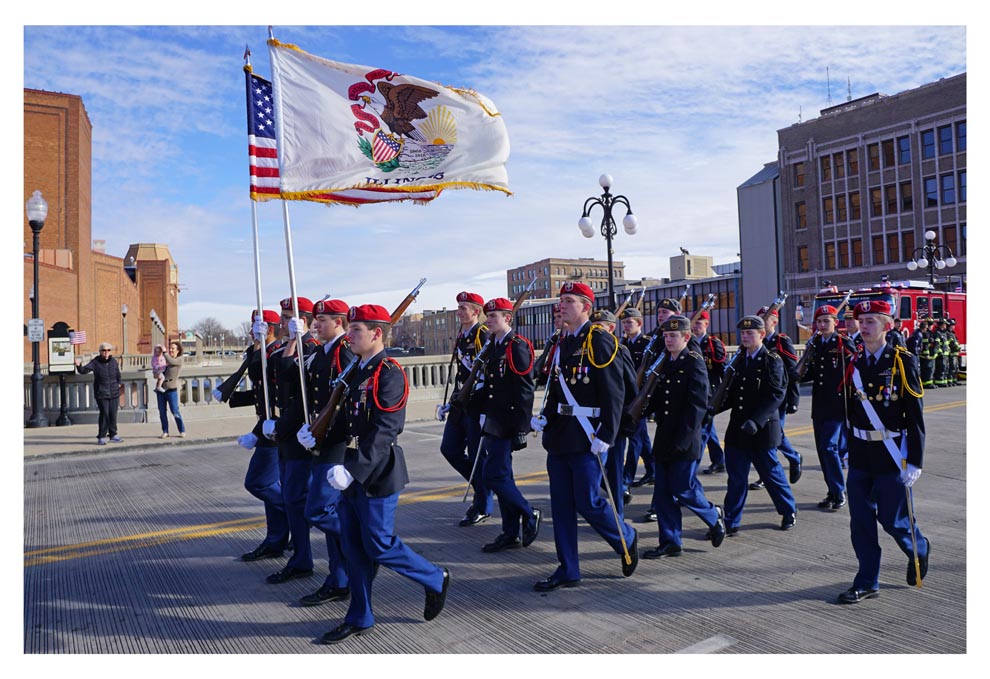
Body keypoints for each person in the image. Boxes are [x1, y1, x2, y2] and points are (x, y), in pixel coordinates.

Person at [320, 304, 449, 644]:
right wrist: (317, 437)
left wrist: (355, 470)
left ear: (377, 334)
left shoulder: (388, 372)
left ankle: (434, 577)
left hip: (377, 471)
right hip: (350, 466)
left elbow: (385, 429)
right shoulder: (355, 369)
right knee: (352, 546)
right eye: (349, 328)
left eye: (357, 329)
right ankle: (360, 615)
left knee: (378, 544)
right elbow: (346, 420)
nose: (349, 335)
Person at [530, 282, 639, 591]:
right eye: (561, 301)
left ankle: (626, 537)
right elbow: (556, 387)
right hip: (561, 435)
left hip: (588, 436)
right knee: (562, 505)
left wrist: (608, 431)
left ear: (586, 308)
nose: (560, 306)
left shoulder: (599, 340)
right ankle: (568, 568)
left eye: (568, 301)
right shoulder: (562, 341)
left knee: (589, 502)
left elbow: (614, 391)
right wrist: (545, 417)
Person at [837, 298, 930, 604]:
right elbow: (851, 412)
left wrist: (915, 460)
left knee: (893, 519)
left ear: (887, 326)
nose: (863, 327)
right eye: (861, 322)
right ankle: (867, 580)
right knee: (860, 521)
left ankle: (918, 548)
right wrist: (848, 449)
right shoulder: (855, 362)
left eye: (871, 322)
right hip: (862, 453)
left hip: (892, 454)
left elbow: (914, 415)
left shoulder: (902, 362)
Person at [641, 315, 725, 558]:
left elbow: (697, 407)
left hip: (685, 439)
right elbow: (657, 398)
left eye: (673, 336)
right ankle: (670, 541)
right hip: (665, 436)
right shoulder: (665, 362)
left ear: (686, 337)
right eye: (666, 336)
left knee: (683, 489)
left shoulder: (694, 363)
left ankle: (713, 515)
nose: (668, 340)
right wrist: (637, 413)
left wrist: (683, 440)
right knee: (663, 493)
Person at [287, 299, 353, 607]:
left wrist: (321, 431)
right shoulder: (322, 351)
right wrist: (295, 340)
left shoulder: (344, 352)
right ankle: (338, 579)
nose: (317, 324)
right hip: (320, 440)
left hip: (335, 444)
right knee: (327, 513)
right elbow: (291, 375)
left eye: (323, 320)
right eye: (316, 319)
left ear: (339, 322)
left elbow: (347, 402)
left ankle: (360, 542)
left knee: (317, 511)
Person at [218, 309, 290, 562]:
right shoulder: (261, 352)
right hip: (267, 425)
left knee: (258, 482)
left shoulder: (277, 354)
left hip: (275, 429)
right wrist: (232, 397)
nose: (250, 333)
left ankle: (296, 514)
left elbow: (275, 393)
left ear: (268, 329)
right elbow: (261, 392)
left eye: (255, 328)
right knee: (269, 486)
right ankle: (277, 539)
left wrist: (256, 434)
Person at [259, 297, 322, 586]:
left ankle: (302, 560)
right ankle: (300, 555)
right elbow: (277, 372)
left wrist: (300, 338)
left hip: (298, 434)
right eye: (283, 317)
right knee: (292, 498)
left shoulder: (312, 349)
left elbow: (298, 386)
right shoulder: (291, 346)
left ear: (303, 320)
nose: (282, 323)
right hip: (285, 431)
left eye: (287, 318)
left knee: (297, 500)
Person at [715, 315, 797, 535]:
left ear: (762, 335)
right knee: (736, 479)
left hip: (761, 429)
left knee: (772, 475)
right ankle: (732, 521)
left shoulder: (772, 360)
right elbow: (732, 394)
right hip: (739, 429)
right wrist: (710, 410)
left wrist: (757, 420)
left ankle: (788, 511)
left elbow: (776, 394)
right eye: (743, 333)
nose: (745, 337)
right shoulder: (739, 360)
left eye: (750, 333)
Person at [476, 297, 542, 553]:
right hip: (494, 420)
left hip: (508, 422)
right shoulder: (493, 345)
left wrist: (521, 427)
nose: (490, 320)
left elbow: (525, 390)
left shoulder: (516, 346)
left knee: (493, 475)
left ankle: (529, 512)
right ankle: (510, 531)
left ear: (508, 318)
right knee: (503, 476)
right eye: (488, 316)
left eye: (495, 316)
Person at [436, 292, 494, 527]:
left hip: (476, 404)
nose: (459, 312)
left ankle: (482, 504)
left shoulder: (483, 335)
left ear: (475, 311)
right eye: (458, 308)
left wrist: (485, 408)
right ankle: (483, 484)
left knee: (476, 455)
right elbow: (462, 373)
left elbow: (487, 375)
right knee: (449, 448)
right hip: (461, 402)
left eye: (463, 308)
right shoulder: (463, 335)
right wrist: (451, 401)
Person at [801, 304, 857, 511]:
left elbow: (855, 371)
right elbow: (811, 373)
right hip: (819, 405)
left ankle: (839, 490)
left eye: (827, 321)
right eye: (819, 321)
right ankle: (832, 491)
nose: (823, 325)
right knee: (821, 450)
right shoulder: (815, 343)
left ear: (835, 322)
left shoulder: (843, 343)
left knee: (829, 447)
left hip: (837, 404)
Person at [752, 305, 802, 488]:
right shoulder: (757, 341)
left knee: (772, 436)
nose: (762, 323)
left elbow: (792, 371)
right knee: (771, 435)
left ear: (774, 322)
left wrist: (794, 399)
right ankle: (790, 458)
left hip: (778, 398)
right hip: (760, 397)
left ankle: (784, 463)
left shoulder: (782, 341)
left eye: (765, 320)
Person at [617, 308, 654, 490]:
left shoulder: (647, 343)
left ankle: (626, 477)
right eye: (624, 322)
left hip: (640, 397)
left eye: (629, 322)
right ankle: (652, 469)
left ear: (639, 323)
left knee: (635, 440)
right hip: (625, 397)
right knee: (642, 438)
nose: (626, 325)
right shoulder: (622, 343)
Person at [692, 310, 727, 475]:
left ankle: (690, 468)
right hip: (694, 392)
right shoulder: (689, 342)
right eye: (694, 323)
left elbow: (723, 370)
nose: (695, 326)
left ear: (706, 325)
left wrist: (722, 394)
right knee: (708, 429)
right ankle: (719, 460)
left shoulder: (712, 343)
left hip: (709, 393)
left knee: (703, 430)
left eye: (699, 323)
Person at [75, 342, 123, 445]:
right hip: (101, 392)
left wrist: (119, 383)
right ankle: (101, 436)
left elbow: (118, 374)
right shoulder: (95, 362)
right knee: (104, 414)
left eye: (108, 350)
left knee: (113, 414)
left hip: (114, 392)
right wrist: (78, 366)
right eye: (104, 350)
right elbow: (84, 371)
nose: (106, 352)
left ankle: (113, 435)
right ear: (100, 351)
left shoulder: (113, 362)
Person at [156, 341, 187, 439]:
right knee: (162, 412)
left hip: (171, 390)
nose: (171, 350)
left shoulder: (179, 360)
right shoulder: (166, 361)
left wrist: (164, 352)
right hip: (161, 390)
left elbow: (173, 361)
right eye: (170, 348)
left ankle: (182, 430)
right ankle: (165, 431)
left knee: (175, 411)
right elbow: (159, 371)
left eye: (173, 348)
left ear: (178, 350)